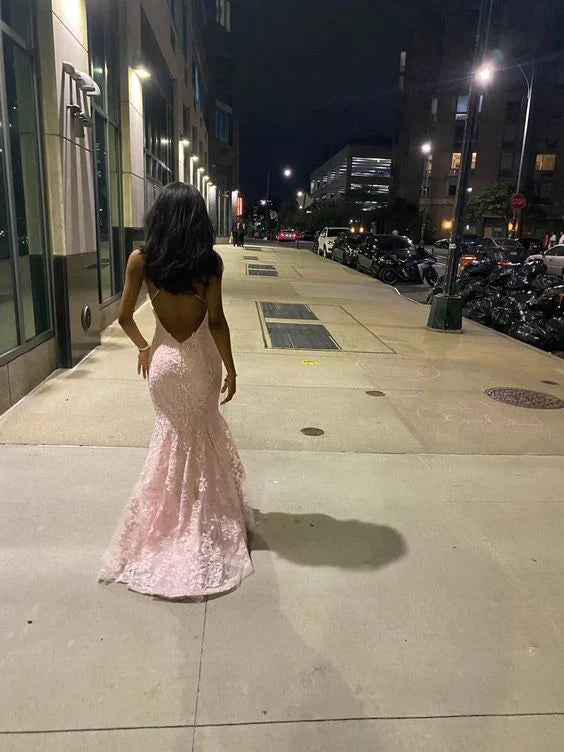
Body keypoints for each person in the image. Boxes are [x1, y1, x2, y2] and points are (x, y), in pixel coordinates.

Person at [98, 182, 254, 599]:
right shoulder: (210, 264)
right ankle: (201, 514)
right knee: (203, 436)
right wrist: (231, 369)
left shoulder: (141, 261)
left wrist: (144, 347)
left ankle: (168, 518)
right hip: (202, 363)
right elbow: (216, 321)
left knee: (169, 439)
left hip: (164, 363)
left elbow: (124, 316)